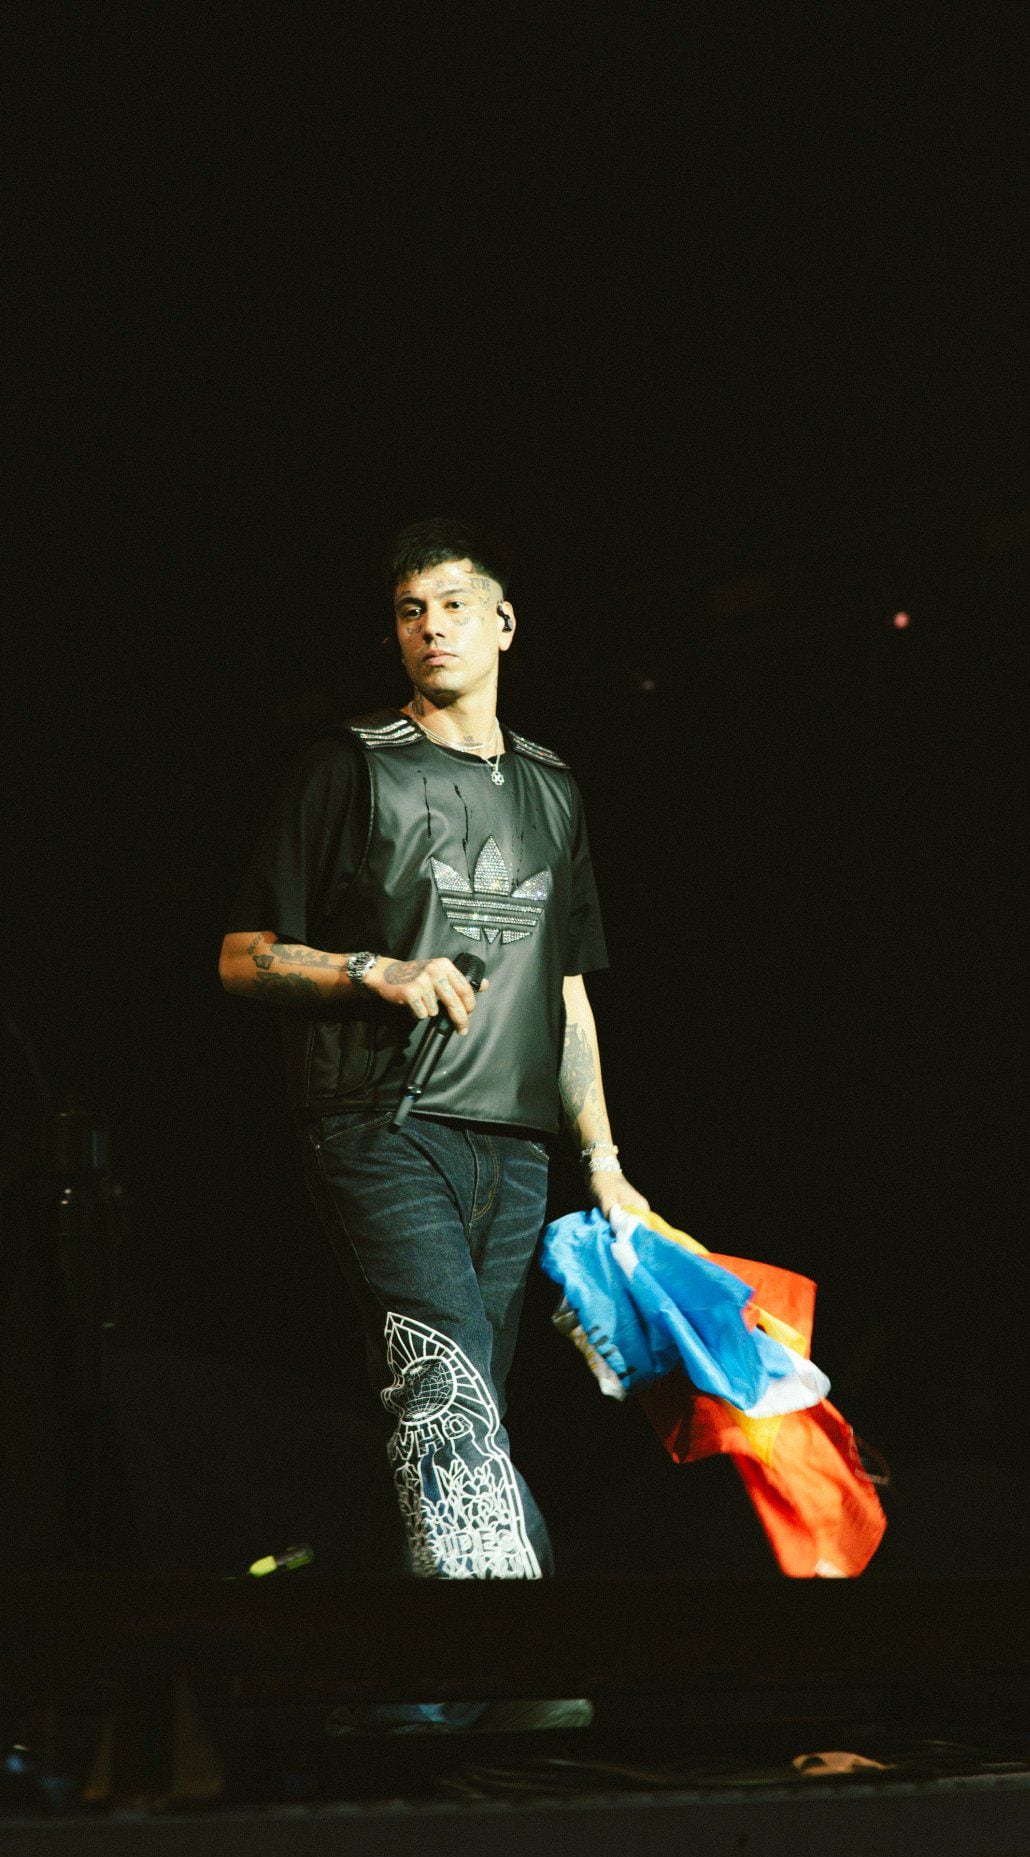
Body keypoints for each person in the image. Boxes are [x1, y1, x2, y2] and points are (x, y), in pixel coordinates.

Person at [219, 518, 646, 1647]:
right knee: (443, 1390)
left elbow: (565, 994)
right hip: (382, 1125)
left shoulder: (553, 788)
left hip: (514, 1146)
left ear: (503, 622)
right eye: (411, 610)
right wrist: (378, 969)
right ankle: (518, 1671)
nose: (431, 627)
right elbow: (240, 952)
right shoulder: (349, 763)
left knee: (467, 1423)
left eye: (453, 604)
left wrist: (604, 1162)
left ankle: (421, 1685)